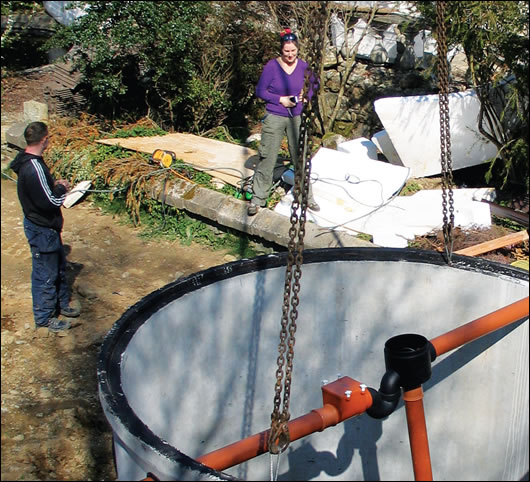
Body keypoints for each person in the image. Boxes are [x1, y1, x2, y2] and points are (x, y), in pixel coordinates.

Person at [9, 121, 80, 333]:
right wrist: (61, 188)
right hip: (42, 229)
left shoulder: (27, 161)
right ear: (43, 140)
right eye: (48, 138)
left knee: (57, 269)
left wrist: (52, 186)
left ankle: (61, 305)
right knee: (45, 275)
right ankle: (45, 318)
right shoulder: (34, 167)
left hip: (45, 228)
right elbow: (51, 201)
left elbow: (42, 190)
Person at [248, 28, 320, 216]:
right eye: (286, 51)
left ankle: (306, 196)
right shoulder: (272, 67)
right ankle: (258, 198)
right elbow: (261, 91)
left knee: (300, 157)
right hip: (275, 115)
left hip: (296, 116)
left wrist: (307, 96)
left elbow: (315, 83)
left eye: (293, 51)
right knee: (268, 156)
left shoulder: (303, 66)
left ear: (297, 49)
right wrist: (280, 99)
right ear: (281, 50)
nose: (290, 55)